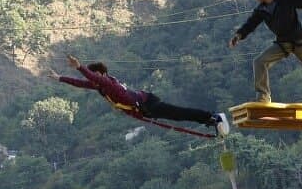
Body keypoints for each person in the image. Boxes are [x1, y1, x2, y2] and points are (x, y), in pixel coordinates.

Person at [52, 54, 229, 136]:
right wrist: (60, 78)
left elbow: (88, 77)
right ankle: (209, 119)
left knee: (179, 113)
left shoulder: (108, 84)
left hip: (148, 104)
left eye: (96, 76)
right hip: (146, 109)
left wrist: (79, 67)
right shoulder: (101, 87)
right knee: (179, 116)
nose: (94, 80)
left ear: (102, 74)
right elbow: (81, 83)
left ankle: (213, 117)